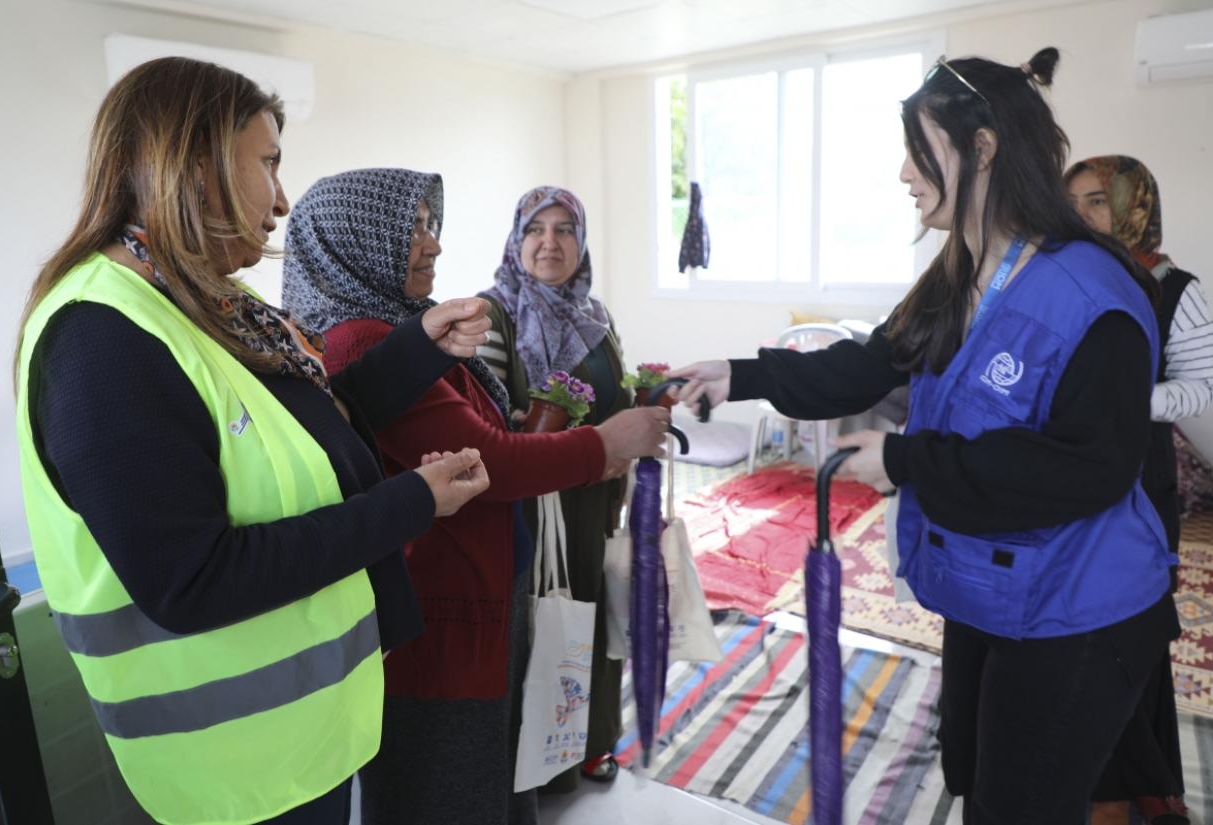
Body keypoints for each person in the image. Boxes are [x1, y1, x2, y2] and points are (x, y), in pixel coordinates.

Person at [672, 48, 1181, 823]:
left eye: (920, 151)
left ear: (982, 150)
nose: (904, 174)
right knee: (976, 775)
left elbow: (1092, 468)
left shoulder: (1095, 291)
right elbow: (867, 366)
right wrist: (738, 375)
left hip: (1079, 607)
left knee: (1022, 804)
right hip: (994, 585)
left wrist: (905, 459)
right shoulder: (959, 270)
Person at [14, 58, 494, 825]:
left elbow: (304, 424)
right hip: (233, 777)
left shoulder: (203, 299)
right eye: (267, 163)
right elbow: (193, 579)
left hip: (302, 741)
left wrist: (420, 346)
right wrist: (411, 503)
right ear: (196, 162)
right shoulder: (100, 340)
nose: (281, 200)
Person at [280, 168, 669, 825]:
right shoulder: (363, 341)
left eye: (432, 225)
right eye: (414, 228)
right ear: (359, 239)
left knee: (492, 765)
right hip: (444, 605)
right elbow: (489, 461)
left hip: (487, 576)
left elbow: (477, 438)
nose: (432, 244)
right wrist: (603, 443)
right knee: (449, 783)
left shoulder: (407, 327)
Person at [1068, 155, 1210, 825]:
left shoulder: (1178, 289)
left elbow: (1203, 388)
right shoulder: (1069, 282)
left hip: (1139, 488)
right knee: (1083, 635)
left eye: (1097, 199)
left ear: (1135, 204)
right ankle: (1096, 780)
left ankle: (1132, 790)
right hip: (1074, 484)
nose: (1083, 215)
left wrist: (1128, 399)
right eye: (1074, 203)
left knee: (1131, 636)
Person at [477, 186, 633, 789]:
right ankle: (537, 762)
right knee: (541, 624)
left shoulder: (598, 318)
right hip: (535, 509)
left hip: (595, 502)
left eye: (565, 229)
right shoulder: (493, 315)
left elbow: (617, 394)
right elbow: (485, 421)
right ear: (517, 240)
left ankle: (591, 743)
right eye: (535, 229)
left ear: (582, 242)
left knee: (595, 617)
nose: (550, 243)